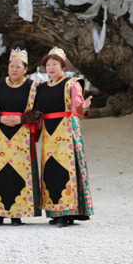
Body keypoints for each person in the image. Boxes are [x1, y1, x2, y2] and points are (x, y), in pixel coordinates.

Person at [36, 47, 94, 227]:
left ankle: (68, 212)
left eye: (55, 64)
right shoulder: (42, 87)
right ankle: (55, 211)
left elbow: (77, 104)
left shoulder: (72, 83)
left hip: (66, 131)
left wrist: (83, 106)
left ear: (63, 66)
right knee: (50, 170)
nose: (51, 67)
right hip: (49, 132)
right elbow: (37, 110)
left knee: (65, 170)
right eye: (48, 64)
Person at [0, 47, 41, 226]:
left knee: (19, 172)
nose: (14, 69)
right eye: (11, 66)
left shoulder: (32, 87)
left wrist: (22, 119)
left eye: (18, 67)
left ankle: (17, 213)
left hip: (22, 134)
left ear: (25, 69)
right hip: (1, 133)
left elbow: (39, 112)